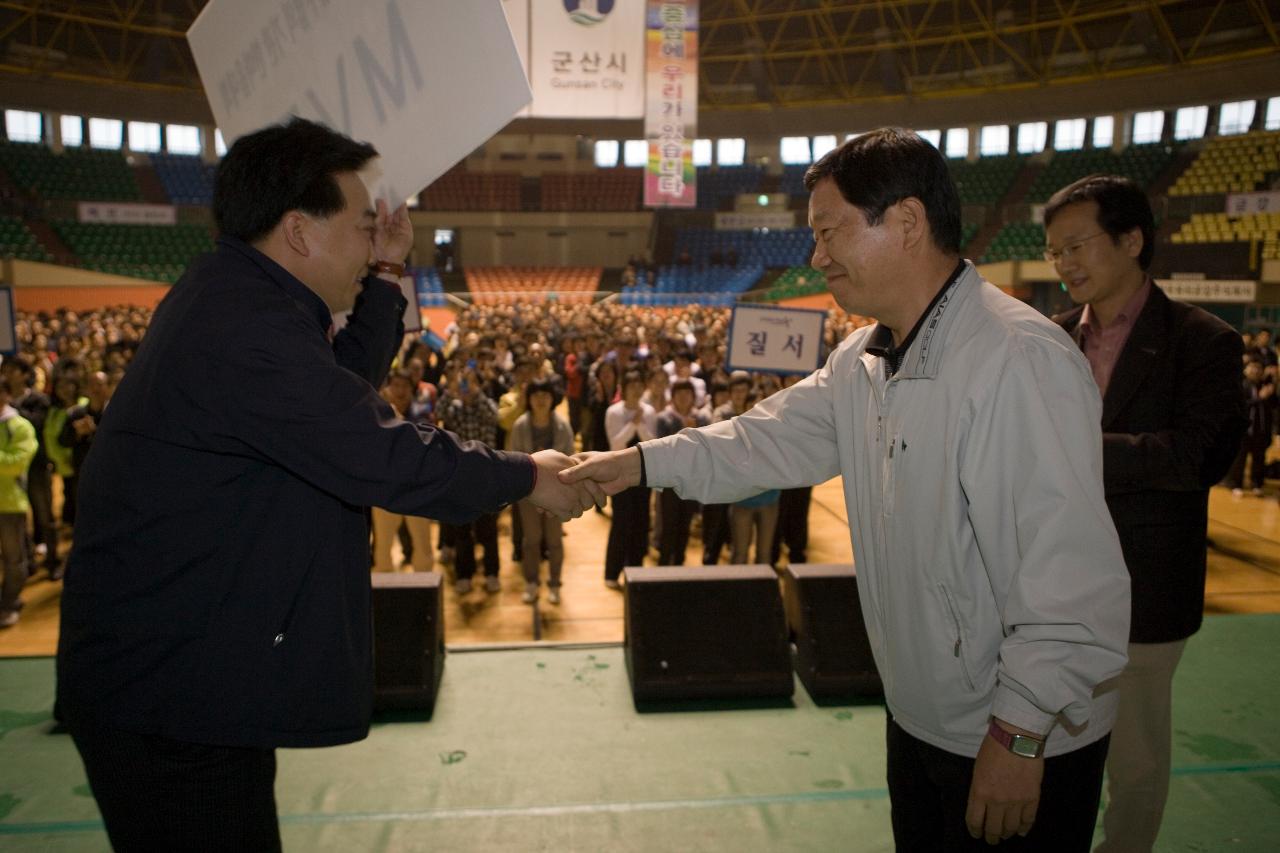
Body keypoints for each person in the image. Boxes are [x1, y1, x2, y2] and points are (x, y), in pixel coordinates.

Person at [563, 128, 1131, 851]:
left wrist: (1019, 735)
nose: (816, 255)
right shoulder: (863, 359)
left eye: (830, 232)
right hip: (922, 716)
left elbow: (1070, 582)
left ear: (907, 223)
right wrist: (638, 464)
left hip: (1014, 734)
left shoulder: (1016, 360)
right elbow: (761, 439)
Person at [56, 117, 598, 852]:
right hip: (168, 695)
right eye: (364, 226)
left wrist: (389, 274)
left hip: (183, 675)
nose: (374, 241)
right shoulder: (244, 329)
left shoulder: (239, 302)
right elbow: (376, 451)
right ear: (300, 232)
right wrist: (526, 473)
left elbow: (335, 389)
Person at [1044, 173, 1246, 853]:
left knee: (1133, 766)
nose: (1065, 263)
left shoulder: (1202, 340)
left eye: (1077, 245)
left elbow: (1195, 455)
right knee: (1043, 756)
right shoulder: (1049, 339)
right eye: (1054, 252)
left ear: (1132, 239)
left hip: (1146, 589)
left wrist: (1074, 453)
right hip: (1049, 586)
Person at [507, 378, 575, 604]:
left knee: (555, 540)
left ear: (552, 398)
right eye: (536, 395)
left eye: (545, 395)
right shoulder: (520, 426)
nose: (541, 400)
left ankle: (555, 583)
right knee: (531, 539)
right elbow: (513, 459)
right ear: (529, 399)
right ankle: (531, 582)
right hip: (528, 492)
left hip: (556, 492)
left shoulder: (562, 425)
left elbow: (571, 460)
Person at [369, 370, 436, 573]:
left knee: (423, 546)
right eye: (395, 385)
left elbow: (423, 446)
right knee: (382, 547)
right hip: (385, 489)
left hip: (416, 488)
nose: (399, 390)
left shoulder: (423, 412)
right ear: (388, 388)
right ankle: (384, 600)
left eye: (404, 386)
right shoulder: (377, 413)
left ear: (412, 389)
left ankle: (425, 595)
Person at [602, 369, 656, 589]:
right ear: (623, 389)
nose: (635, 390)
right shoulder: (613, 412)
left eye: (639, 386)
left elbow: (652, 443)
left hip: (643, 474)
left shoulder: (650, 412)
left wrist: (640, 424)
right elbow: (615, 445)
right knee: (621, 523)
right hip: (619, 474)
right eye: (631, 386)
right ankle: (611, 574)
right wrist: (633, 423)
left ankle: (635, 572)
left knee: (641, 523)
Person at [654, 379, 707, 565]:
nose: (683, 398)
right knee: (668, 526)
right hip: (670, 482)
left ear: (693, 397)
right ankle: (663, 566)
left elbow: (705, 452)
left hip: (692, 482)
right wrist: (683, 431)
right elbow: (661, 448)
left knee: (685, 526)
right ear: (673, 397)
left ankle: (679, 565)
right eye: (679, 394)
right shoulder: (664, 418)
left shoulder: (701, 419)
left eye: (687, 394)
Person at [0, 381, 37, 628]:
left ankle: (9, 603)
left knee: (14, 559)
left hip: (10, 503)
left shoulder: (20, 426)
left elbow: (17, 463)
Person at [1227, 358, 1275, 497]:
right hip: (1244, 430)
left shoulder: (1265, 386)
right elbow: (1241, 405)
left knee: (1259, 458)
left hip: (1260, 430)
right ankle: (1236, 484)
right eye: (1252, 367)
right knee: (1240, 459)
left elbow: (1274, 406)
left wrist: (1273, 389)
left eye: (1258, 368)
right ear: (1246, 369)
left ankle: (1257, 483)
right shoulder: (1241, 386)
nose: (1255, 371)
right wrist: (1259, 398)